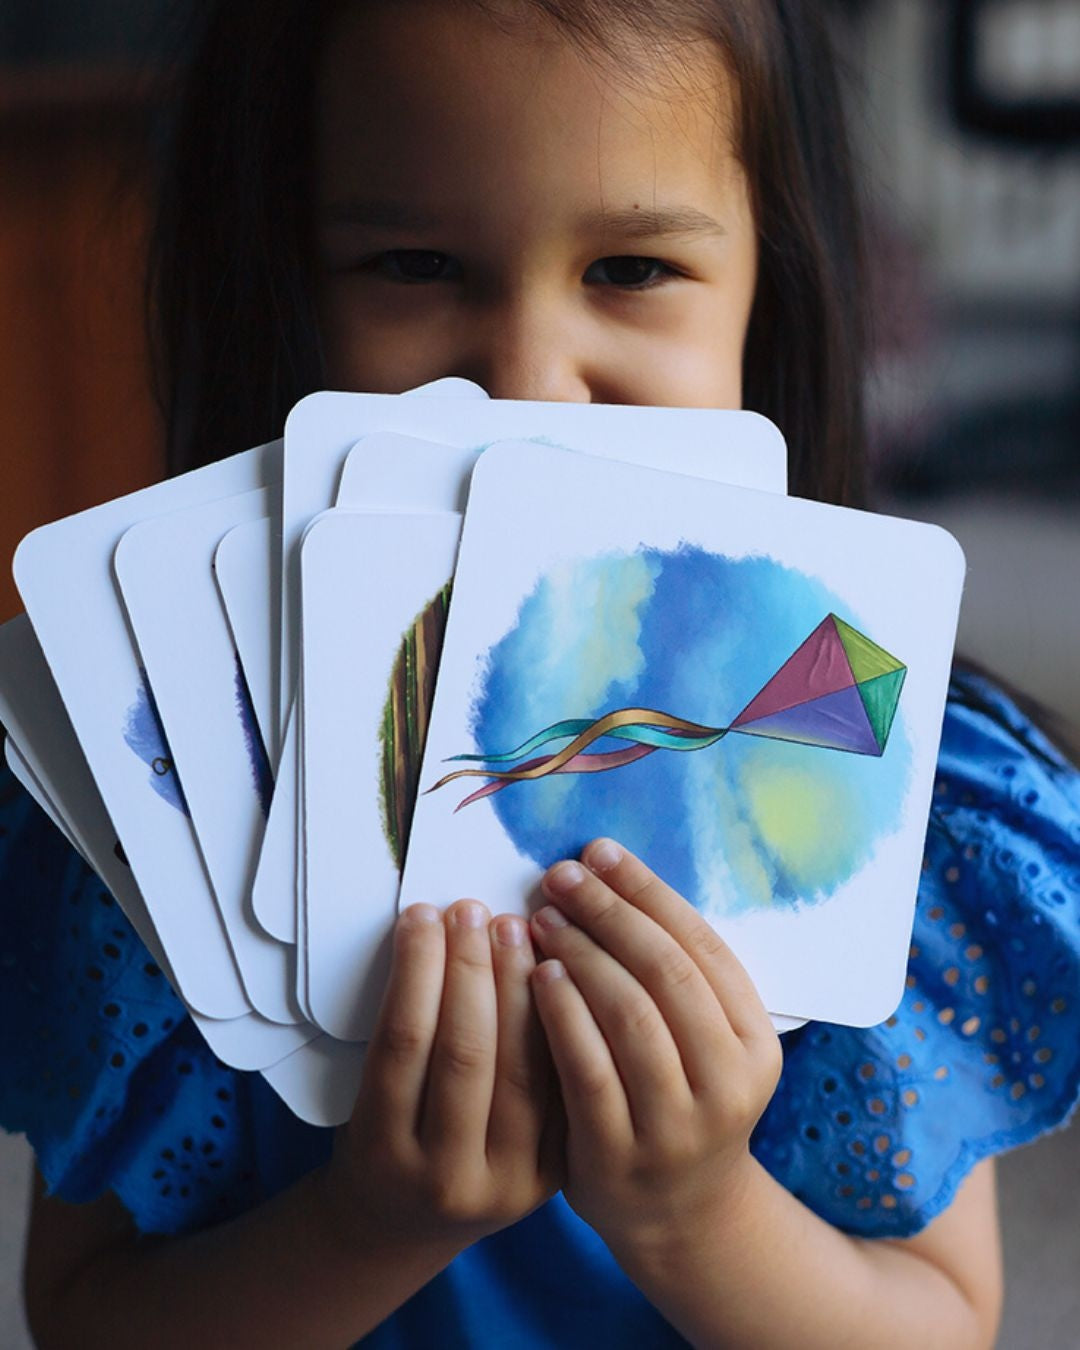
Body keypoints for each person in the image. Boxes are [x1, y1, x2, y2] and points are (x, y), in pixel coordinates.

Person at [4, 2, 1079, 1346]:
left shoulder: (883, 792)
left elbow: (943, 1320)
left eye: (630, 268)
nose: (528, 385)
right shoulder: (147, 808)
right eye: (413, 262)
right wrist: (367, 1227)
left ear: (775, 295)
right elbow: (84, 1313)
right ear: (273, 283)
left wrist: (696, 1212)